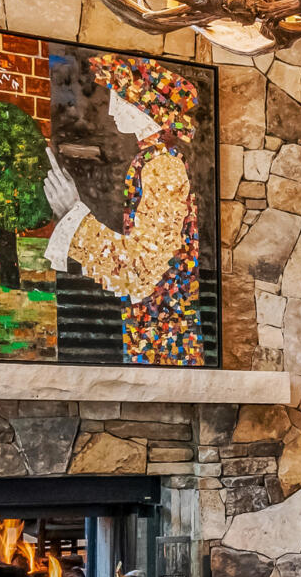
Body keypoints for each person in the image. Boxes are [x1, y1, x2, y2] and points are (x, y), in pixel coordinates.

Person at [44, 55, 203, 365]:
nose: (112, 108)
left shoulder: (164, 167)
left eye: (119, 97)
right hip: (156, 327)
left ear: (145, 106)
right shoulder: (151, 160)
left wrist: (74, 214)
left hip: (164, 334)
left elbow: (141, 269)